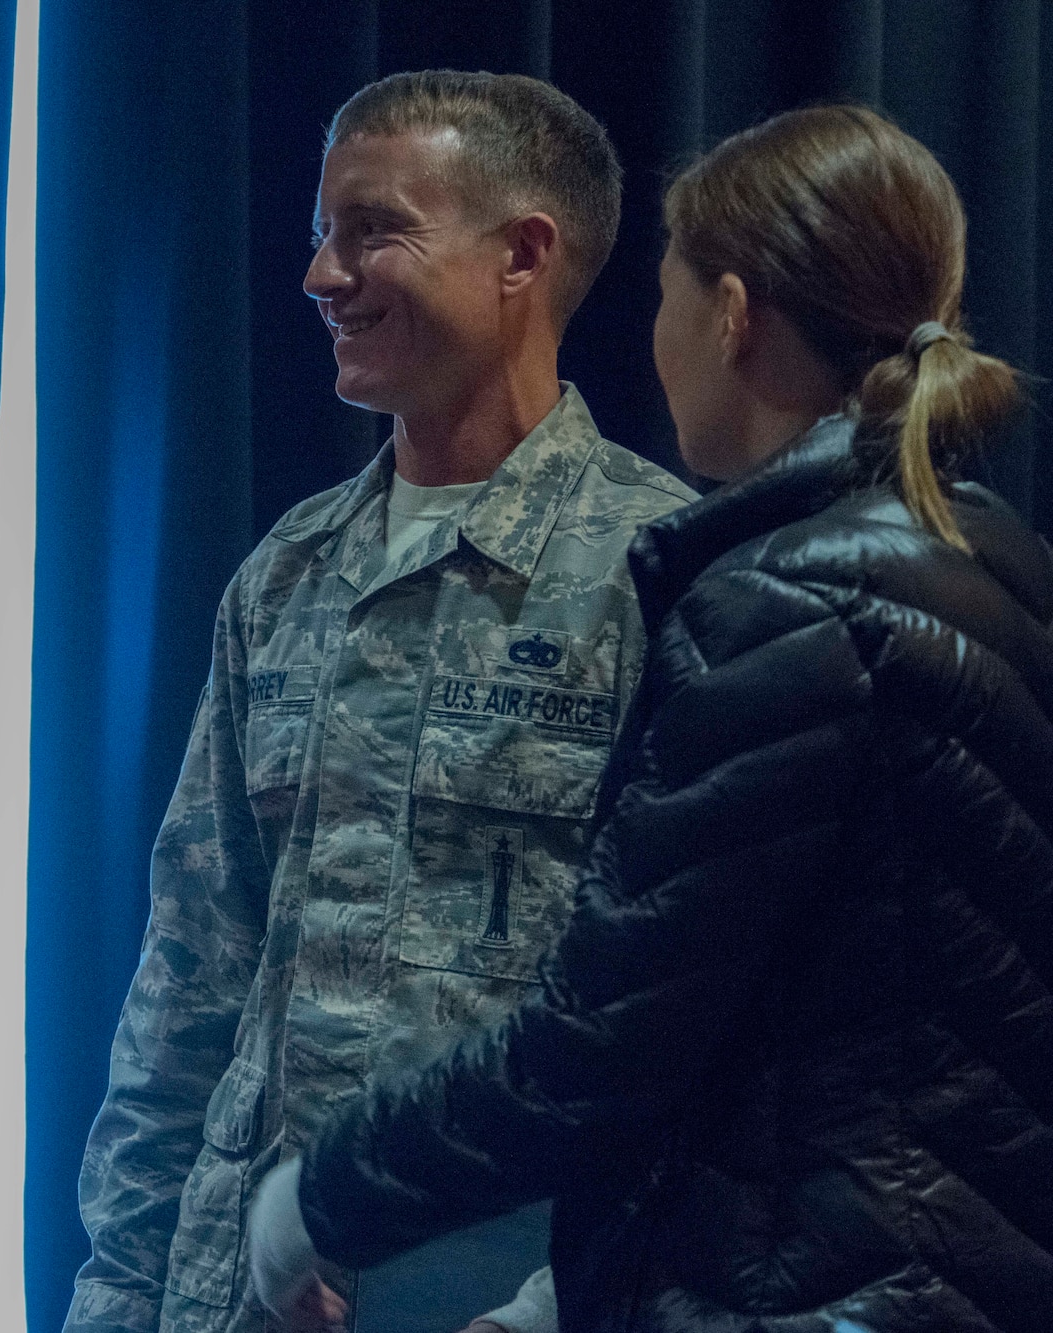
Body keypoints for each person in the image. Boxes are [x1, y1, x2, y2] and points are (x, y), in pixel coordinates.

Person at [247, 104, 1053, 1332]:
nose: (655, 341)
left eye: (666, 300)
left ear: (729, 315)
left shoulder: (792, 605)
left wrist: (321, 1197)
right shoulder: (982, 560)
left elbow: (604, 1037)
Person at [65, 72, 696, 1333]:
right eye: (318, 233)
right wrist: (117, 1295)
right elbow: (189, 980)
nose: (318, 275)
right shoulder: (288, 572)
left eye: (370, 232)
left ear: (521, 254)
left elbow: (692, 1016)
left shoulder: (663, 573)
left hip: (496, 1291)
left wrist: (557, 1306)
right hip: (232, 1292)